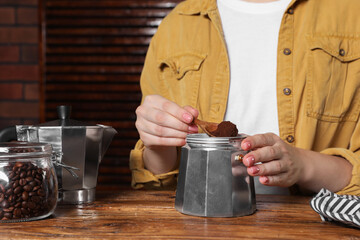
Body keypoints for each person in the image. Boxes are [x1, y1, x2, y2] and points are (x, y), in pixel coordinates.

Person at [130, 0, 360, 196]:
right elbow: (156, 184)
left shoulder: (351, 14)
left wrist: (303, 165)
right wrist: (157, 145)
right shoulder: (177, 25)